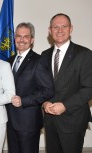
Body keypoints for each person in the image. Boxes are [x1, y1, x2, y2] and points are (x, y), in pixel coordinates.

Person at [42, 13, 92, 153]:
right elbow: (42, 86)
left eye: (64, 26)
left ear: (71, 29)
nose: (60, 30)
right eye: (55, 27)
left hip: (73, 121)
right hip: (50, 121)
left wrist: (65, 105)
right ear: (50, 30)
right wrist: (44, 103)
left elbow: (89, 88)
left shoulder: (85, 54)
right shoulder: (44, 55)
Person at [6, 22, 55, 153]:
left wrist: (24, 100)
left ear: (32, 40)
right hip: (9, 120)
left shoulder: (39, 60)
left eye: (25, 36)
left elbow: (48, 90)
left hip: (28, 122)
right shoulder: (8, 61)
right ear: (14, 38)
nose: (21, 40)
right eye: (18, 36)